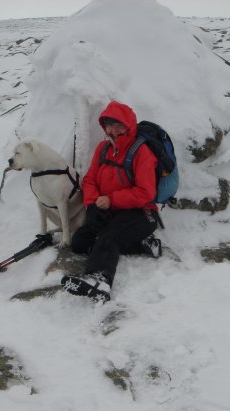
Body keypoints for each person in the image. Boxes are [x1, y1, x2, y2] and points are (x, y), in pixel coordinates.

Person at [61, 100, 162, 302]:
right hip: (110, 210)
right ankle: (142, 244)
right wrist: (92, 205)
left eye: (118, 125)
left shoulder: (141, 152)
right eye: (109, 124)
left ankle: (99, 279)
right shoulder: (103, 149)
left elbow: (145, 193)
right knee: (80, 242)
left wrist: (111, 199)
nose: (113, 130)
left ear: (128, 126)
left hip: (142, 213)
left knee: (109, 237)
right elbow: (90, 179)